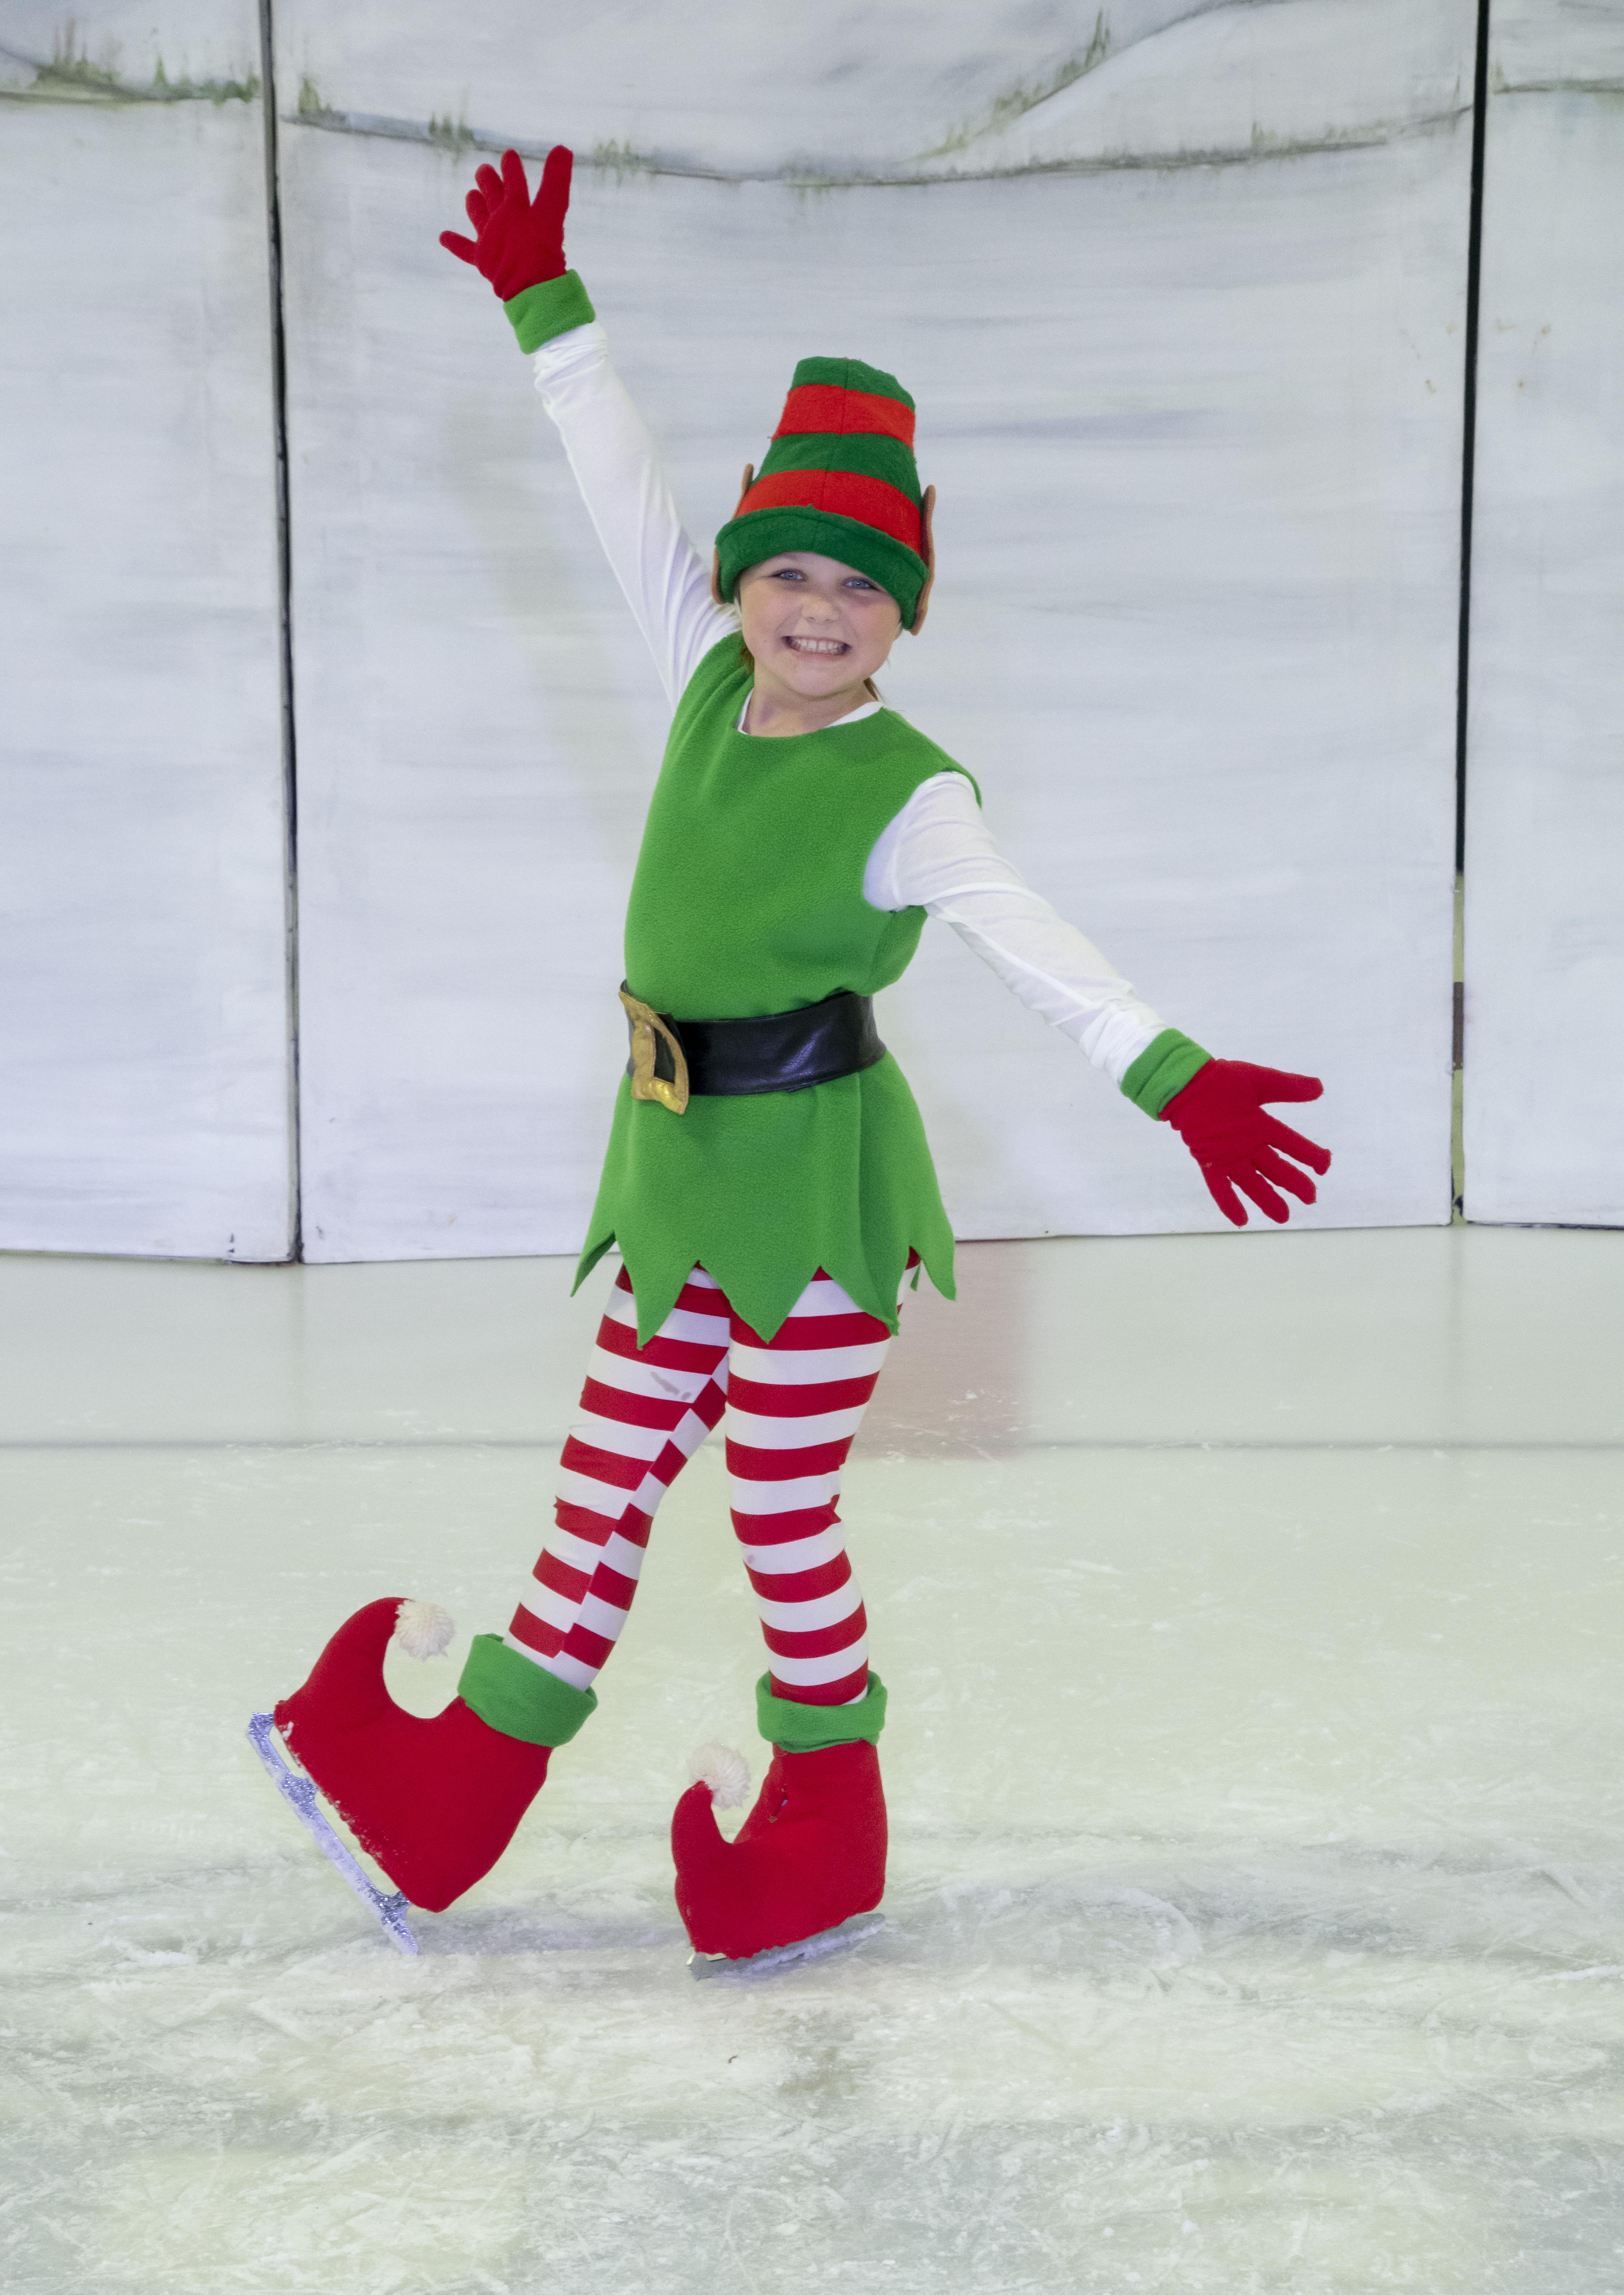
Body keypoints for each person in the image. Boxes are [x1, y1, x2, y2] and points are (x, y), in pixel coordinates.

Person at [257, 146, 1331, 1961]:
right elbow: (619, 489)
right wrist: (550, 316)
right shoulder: (703, 673)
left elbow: (1026, 935)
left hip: (819, 1198)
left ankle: (826, 1824)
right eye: (791, 574)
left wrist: (1174, 1074)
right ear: (743, 575)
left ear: (907, 610)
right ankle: (452, 1797)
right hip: (679, 1173)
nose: (818, 611)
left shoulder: (905, 789)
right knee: (602, 1486)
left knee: (776, 1507)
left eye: (862, 588)